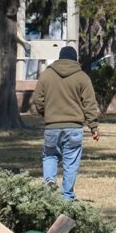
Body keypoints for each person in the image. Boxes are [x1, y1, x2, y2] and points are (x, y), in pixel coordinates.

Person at [34, 46, 100, 201]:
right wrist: (93, 127)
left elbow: (38, 100)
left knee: (50, 156)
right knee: (71, 162)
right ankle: (67, 196)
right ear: (75, 59)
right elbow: (89, 103)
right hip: (74, 127)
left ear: (60, 57)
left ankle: (50, 180)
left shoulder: (46, 75)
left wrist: (47, 113)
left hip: (52, 127)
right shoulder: (82, 77)